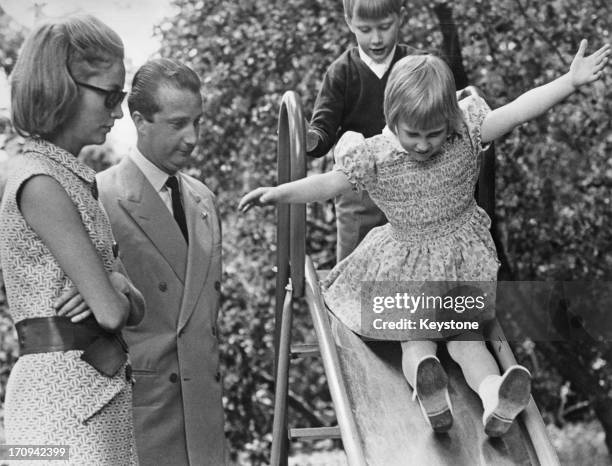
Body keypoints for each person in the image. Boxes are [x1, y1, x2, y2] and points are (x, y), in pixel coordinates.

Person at [240, 40, 609, 436]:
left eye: (434, 133)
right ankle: (431, 392)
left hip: (461, 268)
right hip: (404, 268)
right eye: (413, 133)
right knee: (415, 342)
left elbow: (518, 110)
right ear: (392, 119)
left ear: (450, 119)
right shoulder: (375, 157)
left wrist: (569, 82)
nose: (423, 143)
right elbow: (327, 185)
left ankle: (494, 398)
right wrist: (279, 193)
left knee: (469, 343)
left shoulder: (467, 132)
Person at [0, 14, 144, 464]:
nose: (118, 112)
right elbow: (112, 310)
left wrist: (114, 287)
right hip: (58, 406)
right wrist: (113, 289)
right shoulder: (40, 182)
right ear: (62, 87)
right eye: (110, 96)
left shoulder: (74, 180)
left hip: (92, 395)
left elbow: (130, 307)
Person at [97, 58, 226, 465]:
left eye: (198, 123)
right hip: (145, 417)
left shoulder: (204, 199)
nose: (192, 138)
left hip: (204, 419)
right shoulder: (99, 197)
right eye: (177, 124)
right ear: (140, 120)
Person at [306, 0, 467, 262]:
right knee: (357, 253)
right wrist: (311, 139)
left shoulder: (419, 65)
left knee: (415, 253)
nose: (377, 38)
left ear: (400, 17)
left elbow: (443, 109)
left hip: (413, 177)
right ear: (349, 23)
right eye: (365, 29)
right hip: (362, 185)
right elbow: (323, 128)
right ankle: (350, 294)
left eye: (384, 26)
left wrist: (460, 111)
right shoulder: (342, 72)